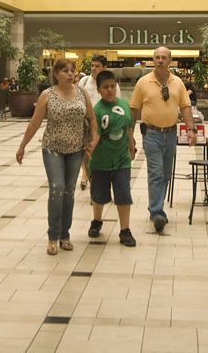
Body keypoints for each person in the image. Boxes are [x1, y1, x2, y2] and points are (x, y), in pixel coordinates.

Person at [15, 58, 97, 255]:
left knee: (69, 191)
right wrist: (22, 146)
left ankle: (64, 235)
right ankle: (53, 235)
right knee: (57, 188)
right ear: (56, 74)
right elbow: (35, 123)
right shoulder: (47, 95)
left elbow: (92, 118)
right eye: (65, 71)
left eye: (72, 71)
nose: (70, 74)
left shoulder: (82, 93)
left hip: (76, 149)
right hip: (53, 148)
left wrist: (93, 140)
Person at [130, 46, 197, 233]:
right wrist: (130, 136)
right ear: (153, 60)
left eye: (163, 57)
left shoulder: (178, 83)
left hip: (171, 133)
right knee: (156, 173)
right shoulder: (143, 82)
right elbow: (133, 109)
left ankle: (156, 207)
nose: (160, 60)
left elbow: (185, 107)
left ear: (170, 61)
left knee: (166, 173)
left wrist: (191, 129)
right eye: (157, 57)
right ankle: (157, 212)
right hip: (151, 134)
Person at [86, 70, 136, 247]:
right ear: (98, 90)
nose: (110, 90)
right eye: (105, 87)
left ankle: (125, 230)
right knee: (98, 195)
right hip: (101, 161)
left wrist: (131, 145)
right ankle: (97, 220)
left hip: (122, 160)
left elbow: (129, 126)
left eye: (112, 86)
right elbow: (96, 134)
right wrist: (89, 150)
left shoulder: (124, 104)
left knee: (123, 194)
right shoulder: (96, 111)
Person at [77, 55, 122, 190]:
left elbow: (117, 104)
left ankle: (102, 184)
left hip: (105, 126)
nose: (94, 69)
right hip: (87, 126)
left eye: (97, 66)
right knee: (87, 156)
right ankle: (93, 185)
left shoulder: (111, 84)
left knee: (103, 156)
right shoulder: (84, 82)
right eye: (92, 65)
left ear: (104, 68)